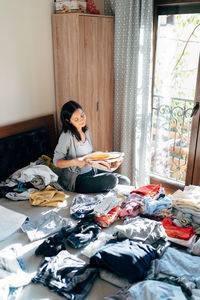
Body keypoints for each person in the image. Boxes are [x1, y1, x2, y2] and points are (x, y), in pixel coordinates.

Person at [53, 100, 130, 193]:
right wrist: (75, 162)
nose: (81, 120)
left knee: (125, 181)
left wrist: (105, 158)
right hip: (78, 179)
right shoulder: (66, 136)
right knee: (112, 180)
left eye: (82, 115)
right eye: (76, 119)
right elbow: (56, 162)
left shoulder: (85, 131)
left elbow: (90, 155)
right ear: (68, 121)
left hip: (92, 170)